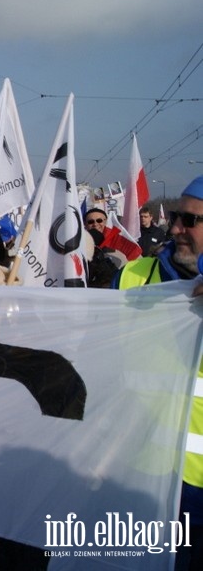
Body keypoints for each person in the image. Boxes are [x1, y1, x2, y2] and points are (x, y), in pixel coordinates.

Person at [113, 176, 203, 570]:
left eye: (191, 220)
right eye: (177, 218)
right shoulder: (133, 277)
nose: (177, 228)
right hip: (139, 479)